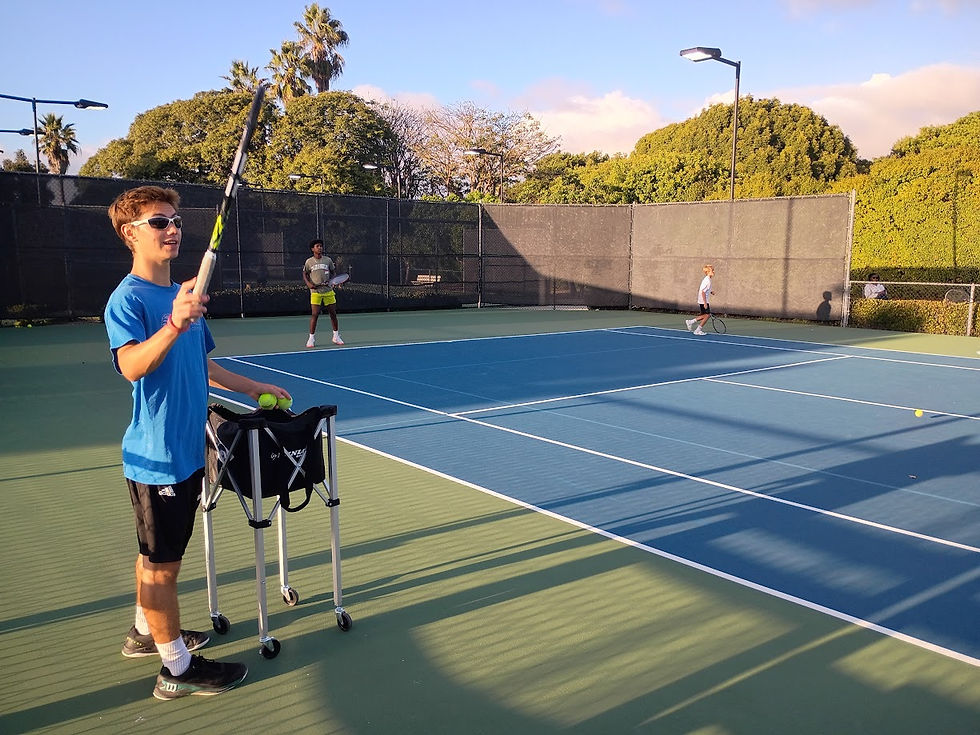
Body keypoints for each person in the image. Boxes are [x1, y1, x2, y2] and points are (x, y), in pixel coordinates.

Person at [104, 185, 291, 700]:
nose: (173, 229)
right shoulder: (129, 299)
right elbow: (131, 366)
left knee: (157, 557)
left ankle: (146, 633)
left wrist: (255, 387)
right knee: (162, 566)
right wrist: (172, 323)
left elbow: (200, 364)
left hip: (188, 450)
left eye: (176, 220)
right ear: (130, 234)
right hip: (157, 457)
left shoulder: (183, 293)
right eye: (158, 222)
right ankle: (177, 669)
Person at [302, 239, 343, 347]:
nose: (319, 248)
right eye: (317, 246)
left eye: (321, 246)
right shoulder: (309, 262)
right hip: (315, 292)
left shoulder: (328, 260)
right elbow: (305, 274)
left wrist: (333, 281)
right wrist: (309, 284)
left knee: (333, 314)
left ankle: (336, 336)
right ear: (312, 249)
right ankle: (311, 338)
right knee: (315, 315)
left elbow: (333, 272)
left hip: (328, 291)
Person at [685, 264, 715, 336]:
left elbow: (705, 289)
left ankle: (690, 322)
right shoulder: (707, 280)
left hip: (703, 300)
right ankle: (697, 330)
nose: (714, 271)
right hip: (703, 300)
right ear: (708, 272)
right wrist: (705, 303)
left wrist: (711, 291)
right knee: (707, 316)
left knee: (705, 315)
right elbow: (703, 292)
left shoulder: (708, 279)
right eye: (712, 270)